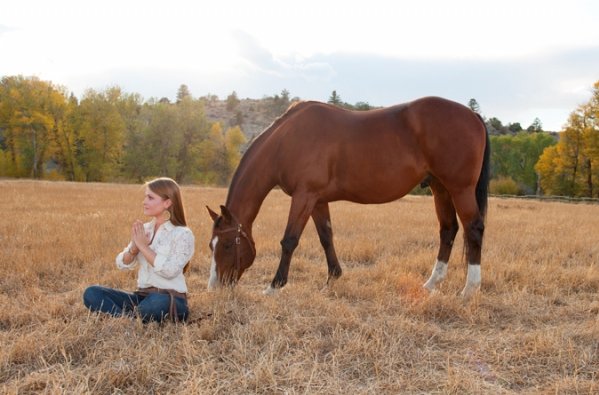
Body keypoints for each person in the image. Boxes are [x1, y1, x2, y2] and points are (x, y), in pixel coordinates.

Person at [83, 177, 195, 323]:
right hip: (141, 297)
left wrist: (143, 246)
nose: (144, 202)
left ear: (167, 202)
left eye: (150, 197)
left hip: (170, 299)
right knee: (92, 293)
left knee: (153, 305)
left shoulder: (183, 234)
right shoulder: (145, 229)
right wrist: (134, 249)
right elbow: (122, 264)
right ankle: (131, 320)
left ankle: (129, 317)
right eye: (145, 197)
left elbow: (170, 270)